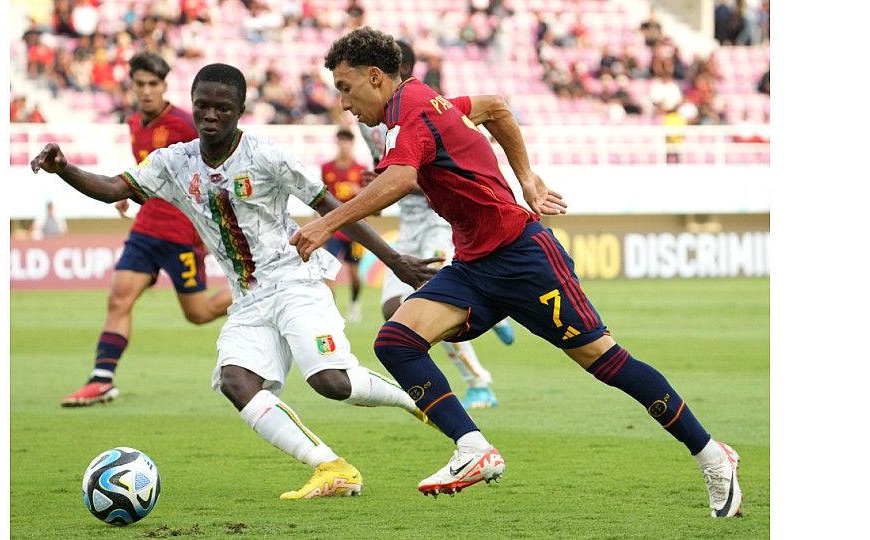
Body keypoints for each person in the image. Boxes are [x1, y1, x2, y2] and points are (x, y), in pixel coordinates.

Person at [290, 26, 743, 518]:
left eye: (345, 87)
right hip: (473, 265)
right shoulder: (423, 100)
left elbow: (401, 177)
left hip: (524, 258)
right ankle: (472, 448)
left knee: (607, 363)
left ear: (375, 77)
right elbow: (497, 107)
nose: (344, 103)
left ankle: (712, 455)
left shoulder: (413, 115)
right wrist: (524, 178)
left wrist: (324, 224)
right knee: (396, 340)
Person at [32, 62, 442, 499]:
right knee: (236, 381)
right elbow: (115, 187)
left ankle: (410, 398)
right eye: (202, 106)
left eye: (222, 108)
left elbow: (331, 207)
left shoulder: (267, 156)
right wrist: (65, 169)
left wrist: (395, 260)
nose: (211, 115)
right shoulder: (175, 162)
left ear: (241, 110)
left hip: (294, 281)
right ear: (191, 105)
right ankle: (331, 467)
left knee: (332, 383)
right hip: (247, 297)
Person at [60, 52, 234, 407]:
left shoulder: (187, 124)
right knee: (119, 297)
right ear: (132, 86)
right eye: (140, 84)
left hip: (181, 232)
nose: (146, 91)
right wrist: (129, 192)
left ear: (165, 86)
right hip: (146, 227)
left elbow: (213, 171)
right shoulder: (133, 122)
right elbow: (149, 167)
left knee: (198, 314)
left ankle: (262, 283)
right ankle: (101, 379)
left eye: (153, 84)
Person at [357, 39, 512, 410]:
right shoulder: (369, 124)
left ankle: (478, 381)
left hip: (439, 220)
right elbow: (388, 169)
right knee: (393, 309)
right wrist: (374, 182)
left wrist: (395, 185)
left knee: (433, 302)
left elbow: (443, 173)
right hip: (408, 224)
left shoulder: (430, 109)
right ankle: (495, 304)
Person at [320, 127, 368, 323]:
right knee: (329, 273)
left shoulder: (361, 170)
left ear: (352, 144)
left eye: (347, 142)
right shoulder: (326, 169)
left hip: (355, 230)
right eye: (341, 141)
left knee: (354, 274)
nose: (344, 146)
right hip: (332, 228)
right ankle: (331, 312)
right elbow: (321, 197)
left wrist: (360, 191)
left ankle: (355, 304)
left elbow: (369, 200)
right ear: (337, 143)